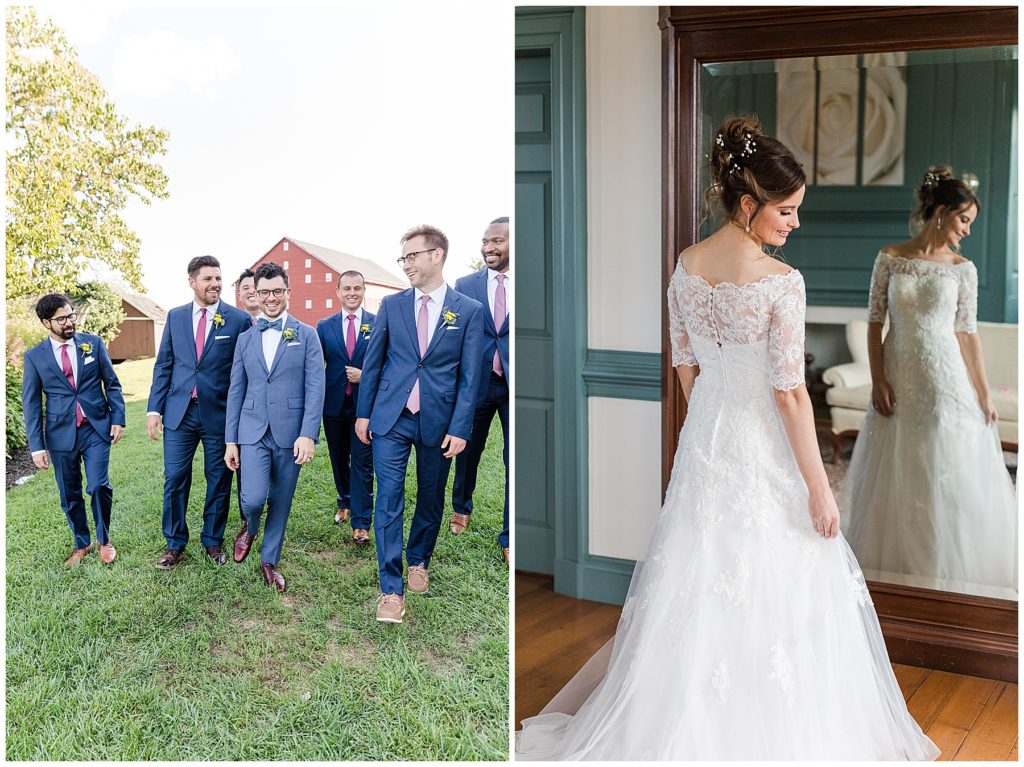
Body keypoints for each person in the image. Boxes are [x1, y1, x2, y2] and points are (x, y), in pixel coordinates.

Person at [515, 117, 939, 760]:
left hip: (706, 443)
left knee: (697, 577)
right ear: (749, 204)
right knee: (774, 576)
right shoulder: (780, 282)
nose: (794, 223)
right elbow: (791, 394)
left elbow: (686, 370)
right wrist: (822, 490)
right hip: (760, 445)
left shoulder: (685, 267)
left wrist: (709, 435)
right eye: (787, 210)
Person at [839, 167, 1016, 596]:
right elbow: (875, 323)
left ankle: (946, 569)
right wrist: (878, 378)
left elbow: (968, 335)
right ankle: (893, 573)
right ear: (940, 212)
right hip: (899, 376)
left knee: (942, 463)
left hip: (944, 378)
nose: (967, 231)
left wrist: (984, 393)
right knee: (896, 463)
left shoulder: (962, 270)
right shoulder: (890, 257)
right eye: (963, 220)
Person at [356, 224, 483, 624]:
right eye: (403, 257)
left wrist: (461, 427)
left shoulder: (468, 311)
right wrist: (364, 412)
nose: (406, 264)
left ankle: (419, 561)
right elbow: (374, 362)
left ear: (436, 255)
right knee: (389, 498)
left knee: (431, 495)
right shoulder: (392, 307)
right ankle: (391, 589)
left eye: (412, 256)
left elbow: (471, 377)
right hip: (391, 417)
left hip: (439, 420)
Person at [225, 262, 325, 592]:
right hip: (252, 431)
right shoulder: (245, 340)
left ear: (287, 292)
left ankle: (269, 559)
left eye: (276, 291)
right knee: (252, 499)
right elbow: (236, 390)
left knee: (281, 499)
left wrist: (308, 433)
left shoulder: (307, 335)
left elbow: (315, 387)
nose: (270, 298)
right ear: (255, 293)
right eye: (263, 292)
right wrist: (231, 441)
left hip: (290, 432)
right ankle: (250, 527)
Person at [147, 256, 252, 568]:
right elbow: (164, 364)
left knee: (218, 478)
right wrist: (153, 408)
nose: (215, 284)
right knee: (175, 477)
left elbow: (243, 372)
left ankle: (212, 541)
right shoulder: (176, 317)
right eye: (208, 279)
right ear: (192, 282)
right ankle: (174, 544)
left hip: (219, 415)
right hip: (179, 413)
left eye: (218, 278)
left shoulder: (237, 320)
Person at [22, 294, 126, 567]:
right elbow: (31, 404)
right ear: (46, 323)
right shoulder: (34, 358)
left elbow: (111, 384)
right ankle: (83, 542)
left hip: (96, 427)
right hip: (59, 434)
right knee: (69, 493)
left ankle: (104, 540)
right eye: (61, 319)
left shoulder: (93, 343)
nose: (69, 322)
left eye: (71, 315)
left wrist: (119, 418)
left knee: (98, 484)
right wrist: (37, 446)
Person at [451, 217, 511, 564]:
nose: (489, 247)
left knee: (512, 459)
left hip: (514, 384)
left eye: (498, 241)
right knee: (467, 448)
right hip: (477, 381)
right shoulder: (465, 284)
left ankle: (508, 535)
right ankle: (461, 506)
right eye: (486, 241)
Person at [316, 270, 375, 541]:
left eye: (357, 288)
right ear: (337, 292)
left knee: (362, 462)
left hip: (364, 407)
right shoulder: (324, 326)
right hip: (334, 405)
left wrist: (365, 376)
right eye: (347, 288)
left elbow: (386, 364)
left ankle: (361, 522)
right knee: (339, 459)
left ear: (364, 291)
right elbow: (317, 367)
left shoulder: (377, 324)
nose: (352, 293)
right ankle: (345, 502)